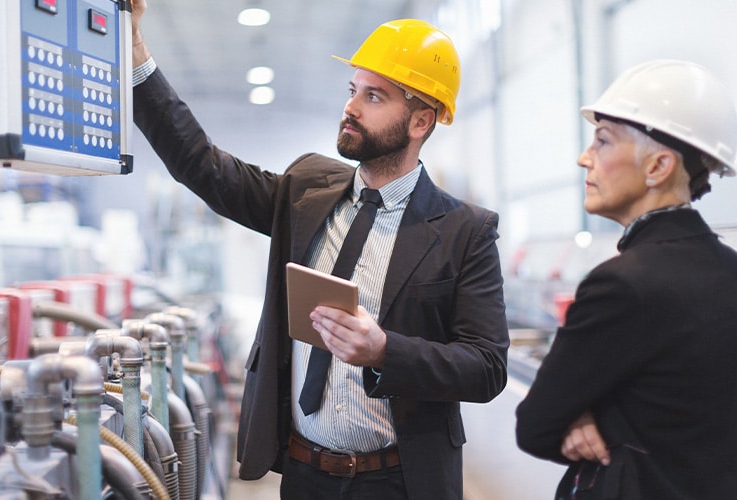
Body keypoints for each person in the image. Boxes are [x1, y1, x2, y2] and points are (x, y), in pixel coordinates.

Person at [129, 2, 509, 499]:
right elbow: (202, 166)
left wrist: (384, 351)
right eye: (353, 90)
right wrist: (135, 49)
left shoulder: (465, 231)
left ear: (421, 121)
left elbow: (486, 367)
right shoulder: (305, 190)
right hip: (305, 475)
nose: (351, 107)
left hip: (399, 481)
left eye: (374, 96)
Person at [515, 59, 737, 499]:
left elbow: (536, 426)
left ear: (658, 167)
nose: (584, 159)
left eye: (602, 141)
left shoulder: (622, 284)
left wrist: (587, 418)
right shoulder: (729, 268)